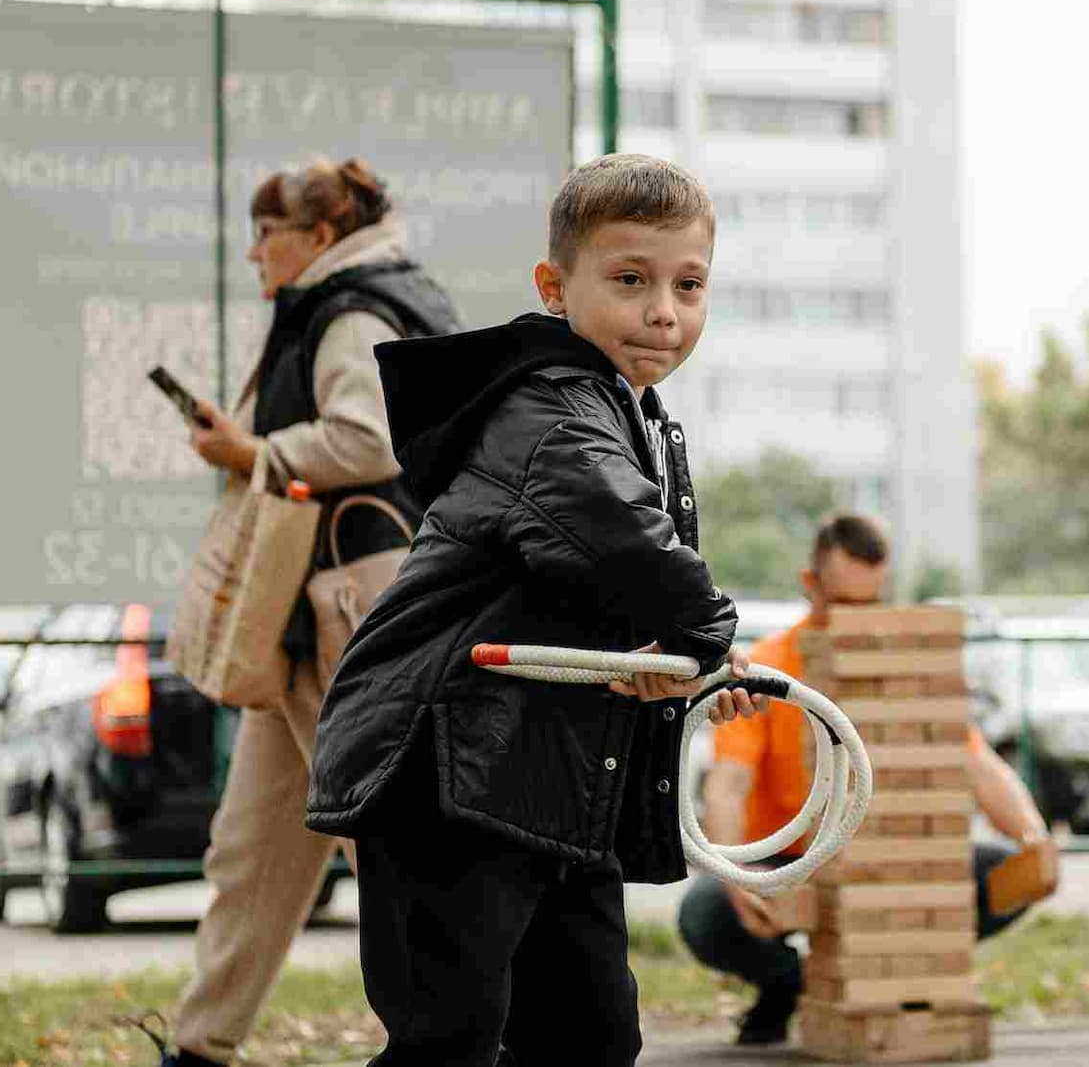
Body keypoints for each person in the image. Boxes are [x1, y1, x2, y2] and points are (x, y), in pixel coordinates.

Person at [303, 154, 765, 1066]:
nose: (663, 311)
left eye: (688, 284)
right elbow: (615, 534)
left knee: (591, 1035)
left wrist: (647, 653)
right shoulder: (548, 405)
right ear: (556, 287)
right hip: (446, 769)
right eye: (630, 280)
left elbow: (581, 581)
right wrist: (707, 639)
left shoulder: (628, 413)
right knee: (450, 1036)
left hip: (550, 774)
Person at [159, 158, 460, 1067]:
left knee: (388, 847)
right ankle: (201, 1045)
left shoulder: (352, 308)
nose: (254, 251)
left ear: (319, 238)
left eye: (267, 232)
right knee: (254, 852)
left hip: (343, 619)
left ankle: (451, 1039)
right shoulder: (368, 298)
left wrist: (247, 445)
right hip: (318, 622)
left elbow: (366, 439)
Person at [679, 512, 1059, 1046]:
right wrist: (736, 872)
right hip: (791, 862)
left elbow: (976, 764)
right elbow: (729, 782)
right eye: (845, 604)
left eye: (870, 603)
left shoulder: (905, 667)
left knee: (1005, 875)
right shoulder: (766, 668)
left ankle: (899, 973)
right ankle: (791, 985)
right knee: (708, 914)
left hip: (884, 858)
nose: (859, 619)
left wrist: (1032, 838)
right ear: (810, 586)